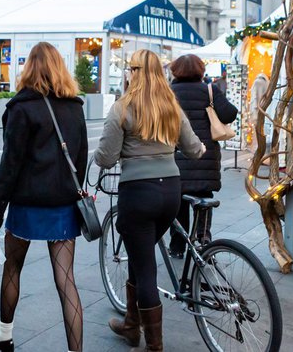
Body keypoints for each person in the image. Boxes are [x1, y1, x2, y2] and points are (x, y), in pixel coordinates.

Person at [0, 42, 88, 352]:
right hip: (63, 206)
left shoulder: (21, 108)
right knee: (66, 281)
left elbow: (9, 168)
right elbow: (80, 160)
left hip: (27, 204)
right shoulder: (75, 107)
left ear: (29, 69)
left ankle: (4, 335)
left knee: (12, 268)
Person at [96, 49, 204, 352]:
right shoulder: (171, 106)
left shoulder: (123, 107)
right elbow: (195, 149)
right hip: (170, 192)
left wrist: (98, 154)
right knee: (141, 256)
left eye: (130, 68)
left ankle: (154, 346)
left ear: (134, 72)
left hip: (138, 194)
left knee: (145, 269)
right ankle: (131, 325)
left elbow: (105, 158)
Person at [167, 54, 238, 256]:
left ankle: (178, 246)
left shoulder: (170, 92)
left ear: (175, 71)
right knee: (203, 200)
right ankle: (203, 242)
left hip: (177, 157)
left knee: (179, 203)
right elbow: (230, 113)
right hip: (204, 158)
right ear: (200, 70)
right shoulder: (209, 90)